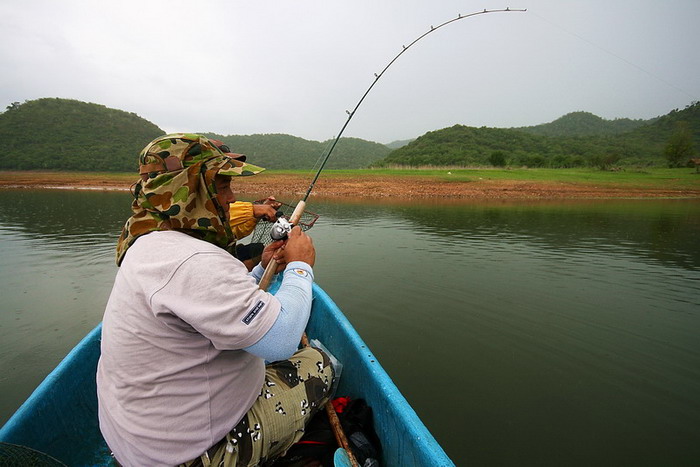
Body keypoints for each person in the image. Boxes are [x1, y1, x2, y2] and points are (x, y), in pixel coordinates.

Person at [97, 133, 334, 467]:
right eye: (223, 187)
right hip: (190, 456)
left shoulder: (151, 242)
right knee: (318, 362)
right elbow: (281, 340)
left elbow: (209, 304)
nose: (231, 198)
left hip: (137, 442)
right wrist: (299, 267)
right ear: (193, 190)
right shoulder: (193, 260)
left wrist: (261, 269)